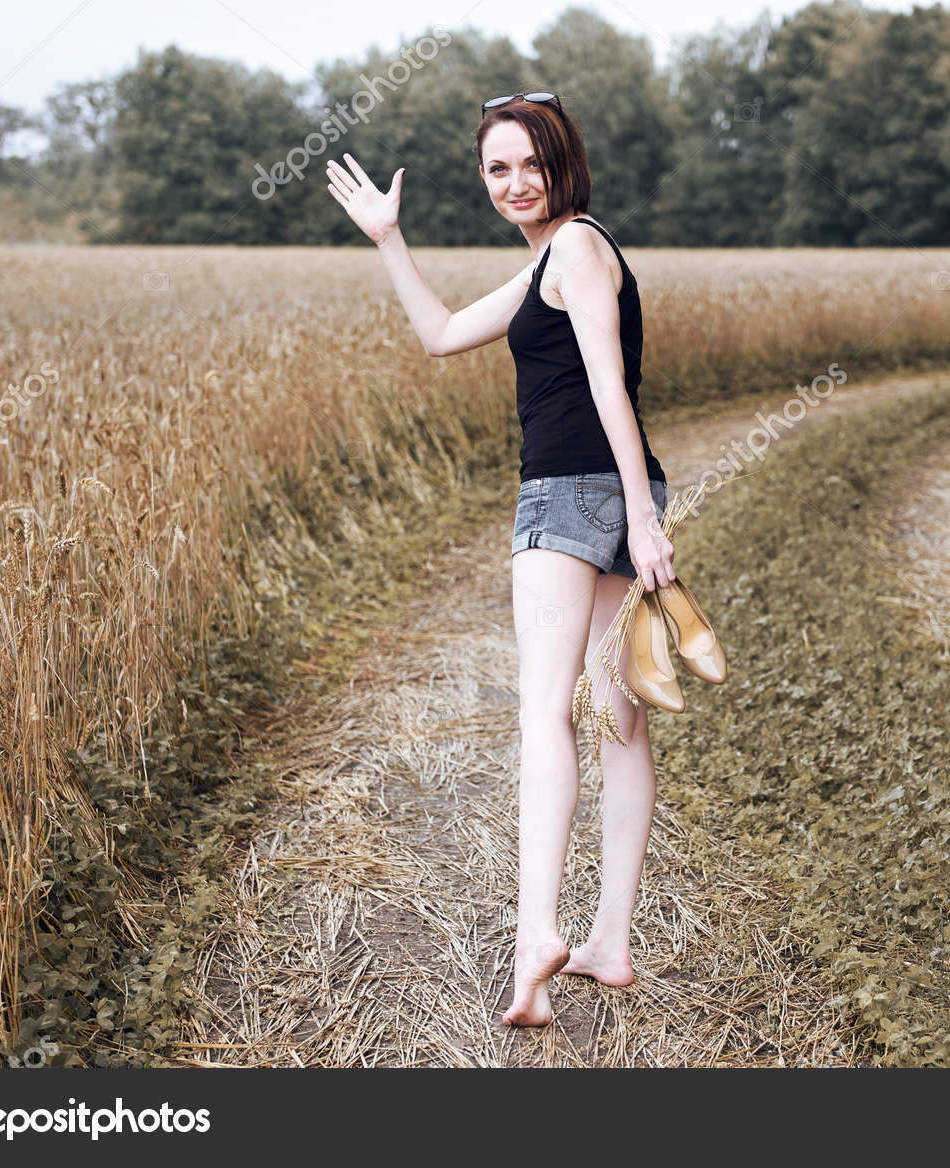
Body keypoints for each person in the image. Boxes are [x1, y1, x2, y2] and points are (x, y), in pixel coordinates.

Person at [325, 90, 675, 1028]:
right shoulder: (555, 262)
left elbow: (607, 379)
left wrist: (643, 519)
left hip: (570, 496)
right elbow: (440, 336)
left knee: (543, 714)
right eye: (497, 169)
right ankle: (607, 938)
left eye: (532, 164)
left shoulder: (577, 247)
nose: (517, 184)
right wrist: (387, 240)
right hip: (607, 494)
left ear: (565, 163)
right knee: (617, 713)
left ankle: (535, 939)